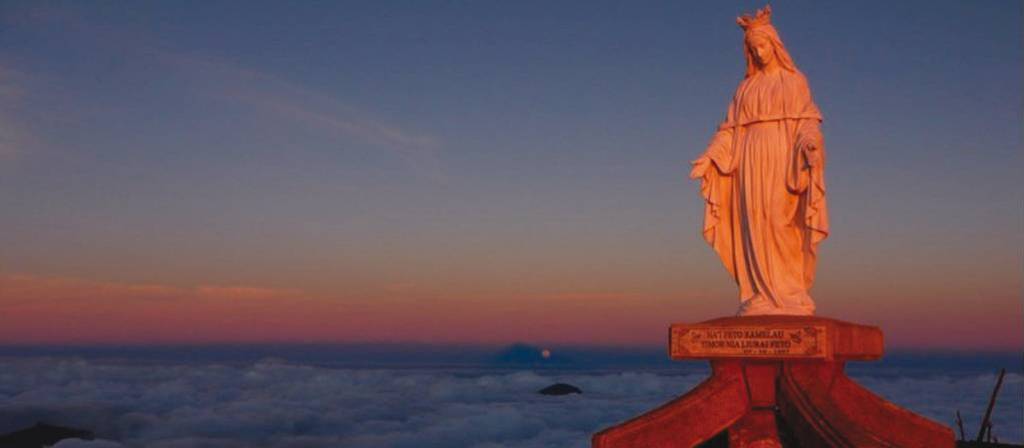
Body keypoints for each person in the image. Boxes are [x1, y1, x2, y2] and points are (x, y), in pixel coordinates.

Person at [689, 6, 829, 316]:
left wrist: (809, 145)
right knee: (753, 224)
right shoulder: (745, 88)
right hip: (749, 163)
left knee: (779, 221)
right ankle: (759, 293)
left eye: (763, 46)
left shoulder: (794, 82)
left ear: (775, 46)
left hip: (782, 158)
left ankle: (789, 292)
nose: (760, 52)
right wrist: (710, 157)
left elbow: (807, 121)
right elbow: (729, 131)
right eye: (754, 49)